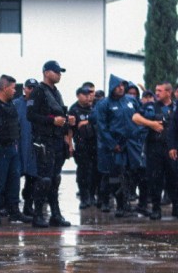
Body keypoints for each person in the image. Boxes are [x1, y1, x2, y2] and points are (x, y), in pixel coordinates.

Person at [27, 60, 74, 228]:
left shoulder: (56, 92)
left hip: (57, 140)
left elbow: (59, 115)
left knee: (55, 179)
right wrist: (52, 120)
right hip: (44, 141)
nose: (59, 75)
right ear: (46, 72)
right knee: (44, 179)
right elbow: (30, 115)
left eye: (60, 72)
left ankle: (56, 214)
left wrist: (67, 121)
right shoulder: (38, 92)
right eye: (56, 71)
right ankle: (38, 214)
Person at [0, 75, 32, 225]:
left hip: (11, 148)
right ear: (4, 88)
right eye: (13, 87)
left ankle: (14, 212)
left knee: (14, 181)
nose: (15, 91)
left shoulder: (11, 105)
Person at [94, 75, 145, 218]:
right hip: (116, 147)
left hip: (132, 145)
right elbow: (102, 127)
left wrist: (139, 138)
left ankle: (129, 203)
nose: (121, 88)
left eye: (123, 85)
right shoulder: (104, 104)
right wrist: (112, 144)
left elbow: (141, 118)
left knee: (133, 174)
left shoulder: (131, 100)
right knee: (116, 176)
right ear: (112, 87)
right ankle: (120, 205)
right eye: (118, 86)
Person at [134, 82, 177, 220]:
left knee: (174, 179)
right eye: (156, 90)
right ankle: (156, 208)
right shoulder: (150, 106)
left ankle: (176, 207)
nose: (156, 93)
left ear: (168, 92)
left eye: (160, 90)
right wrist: (151, 124)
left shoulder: (175, 107)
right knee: (155, 179)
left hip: (172, 149)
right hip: (155, 148)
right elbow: (135, 118)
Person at [69, 86, 100, 209]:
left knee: (95, 172)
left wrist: (86, 122)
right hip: (82, 145)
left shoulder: (94, 107)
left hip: (95, 144)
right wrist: (70, 145)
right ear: (78, 95)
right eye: (85, 95)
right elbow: (70, 130)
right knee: (83, 172)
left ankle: (92, 196)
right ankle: (84, 197)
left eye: (89, 95)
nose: (88, 97)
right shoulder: (74, 110)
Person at [14, 79, 38, 217]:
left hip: (33, 147)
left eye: (34, 87)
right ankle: (12, 207)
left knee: (32, 178)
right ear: (24, 89)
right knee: (14, 179)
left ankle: (28, 206)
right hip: (18, 147)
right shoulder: (16, 104)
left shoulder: (39, 104)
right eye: (29, 87)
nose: (32, 90)